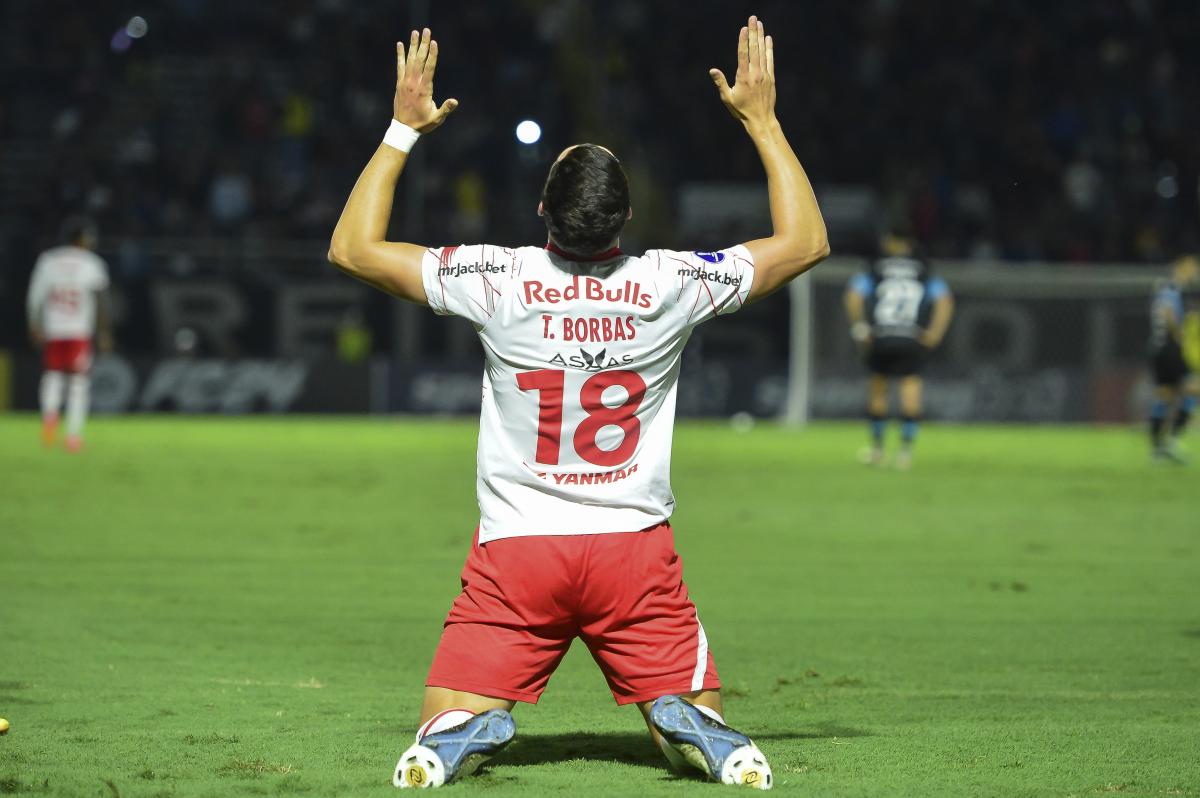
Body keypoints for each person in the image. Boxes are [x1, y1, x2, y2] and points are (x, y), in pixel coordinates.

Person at [328, 18, 827, 790]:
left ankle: (460, 736)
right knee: (688, 730)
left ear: (541, 212)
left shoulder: (498, 278)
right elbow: (804, 242)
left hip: (518, 554)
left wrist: (401, 128)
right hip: (633, 551)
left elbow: (353, 249)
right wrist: (761, 120)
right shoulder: (671, 283)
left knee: (440, 720)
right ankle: (689, 726)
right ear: (625, 221)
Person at [844, 234, 953, 470]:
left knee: (878, 392)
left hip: (881, 335)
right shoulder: (922, 270)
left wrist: (860, 327)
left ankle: (877, 450)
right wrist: (934, 332)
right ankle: (905, 453)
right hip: (911, 336)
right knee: (910, 392)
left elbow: (854, 294)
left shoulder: (876, 268)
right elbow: (944, 300)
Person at [26, 216, 113, 452]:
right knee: (77, 384)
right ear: (82, 238)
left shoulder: (48, 261)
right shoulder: (91, 263)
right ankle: (73, 436)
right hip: (78, 331)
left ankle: (49, 418)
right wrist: (104, 331)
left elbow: (35, 297)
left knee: (52, 377)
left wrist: (35, 324)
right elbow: (101, 298)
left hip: (54, 330)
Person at [1147, 255, 1200, 463]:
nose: (1193, 272)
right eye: (1191, 268)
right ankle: (1171, 441)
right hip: (1170, 349)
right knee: (1192, 390)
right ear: (1180, 267)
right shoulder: (1171, 288)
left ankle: (1158, 448)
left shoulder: (1164, 288)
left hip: (1158, 348)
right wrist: (1180, 335)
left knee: (1165, 396)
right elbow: (1167, 312)